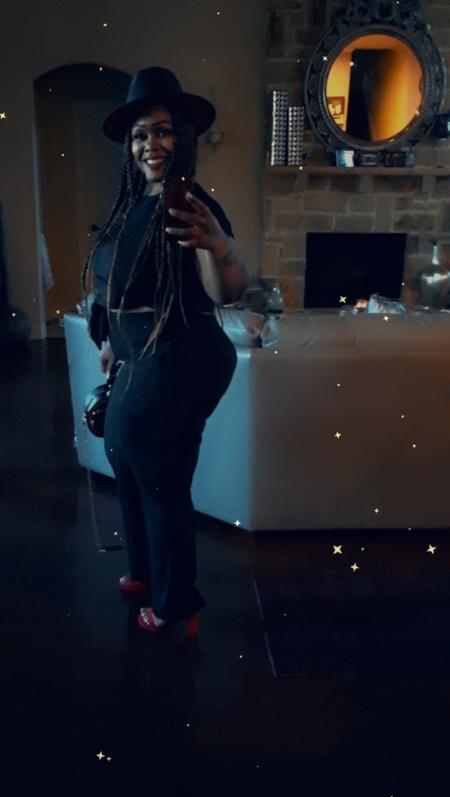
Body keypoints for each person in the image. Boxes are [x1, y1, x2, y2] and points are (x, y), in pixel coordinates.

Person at [82, 67, 250, 635]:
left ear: (182, 136)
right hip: (140, 359)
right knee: (123, 456)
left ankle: (177, 602)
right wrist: (112, 343)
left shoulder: (191, 205)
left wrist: (219, 248)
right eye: (139, 135)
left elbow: (225, 290)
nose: (149, 145)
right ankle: (143, 571)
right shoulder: (136, 202)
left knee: (159, 478)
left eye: (161, 131)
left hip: (182, 356)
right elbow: (122, 285)